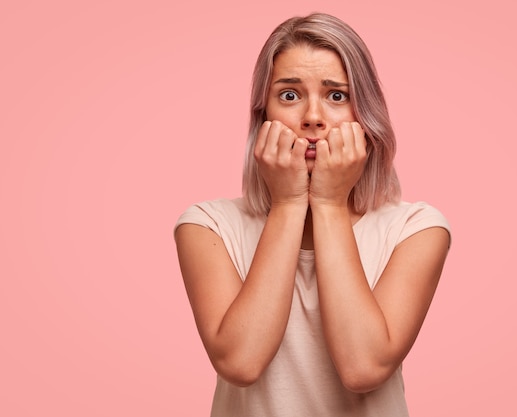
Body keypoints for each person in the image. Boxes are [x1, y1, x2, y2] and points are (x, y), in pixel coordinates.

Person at [174, 12, 451, 417]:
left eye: (337, 96)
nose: (313, 118)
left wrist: (328, 203)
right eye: (289, 95)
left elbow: (364, 367)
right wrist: (288, 204)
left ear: (365, 115)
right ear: (262, 116)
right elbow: (240, 363)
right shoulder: (207, 226)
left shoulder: (416, 229)